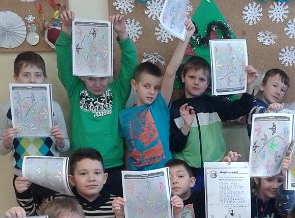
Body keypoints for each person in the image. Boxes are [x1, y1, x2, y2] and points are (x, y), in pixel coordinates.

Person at [56, 10, 138, 196]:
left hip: (112, 166)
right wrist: (66, 30)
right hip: (82, 166)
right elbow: (63, 63)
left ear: (109, 75)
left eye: (102, 78)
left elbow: (130, 64)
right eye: (91, 78)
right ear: (82, 76)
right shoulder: (75, 90)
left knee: (115, 211)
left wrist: (122, 33)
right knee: (83, 212)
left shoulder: (117, 91)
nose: (97, 84)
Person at [169, 55, 258, 189]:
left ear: (207, 84)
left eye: (202, 79)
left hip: (215, 168)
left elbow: (241, 108)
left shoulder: (214, 104)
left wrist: (249, 85)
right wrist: (186, 126)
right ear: (183, 77)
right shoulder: (175, 109)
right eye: (192, 77)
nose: (196, 82)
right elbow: (175, 146)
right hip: (185, 173)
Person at [120, 20, 195, 171]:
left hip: (163, 173)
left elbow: (170, 72)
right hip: (138, 177)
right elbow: (128, 149)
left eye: (156, 88)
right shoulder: (123, 115)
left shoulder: (159, 105)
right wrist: (127, 176)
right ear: (135, 85)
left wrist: (186, 37)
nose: (151, 92)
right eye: (146, 86)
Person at [0, 51, 70, 197]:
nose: (32, 80)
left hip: (50, 173)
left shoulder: (54, 108)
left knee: (53, 211)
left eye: (38, 75)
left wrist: (61, 140)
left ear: (44, 78)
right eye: (26, 75)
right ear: (16, 78)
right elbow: (0, 149)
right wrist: (6, 142)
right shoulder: (7, 108)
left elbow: (66, 146)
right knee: (27, 210)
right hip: (22, 176)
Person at [247, 68, 290, 134]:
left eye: (282, 90)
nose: (278, 92)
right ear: (262, 86)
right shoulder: (254, 104)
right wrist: (269, 111)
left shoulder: (278, 109)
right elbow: (257, 112)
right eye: (274, 85)